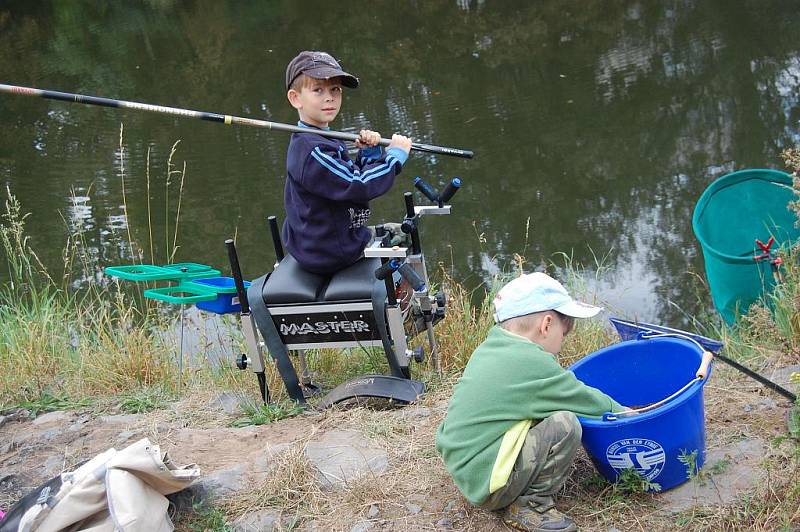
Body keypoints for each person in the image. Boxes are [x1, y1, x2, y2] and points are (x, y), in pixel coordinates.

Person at [435, 272, 628, 532]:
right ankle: (530, 506)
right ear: (546, 325)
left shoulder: (494, 346)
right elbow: (588, 401)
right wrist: (625, 412)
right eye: (565, 332)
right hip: (489, 483)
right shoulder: (531, 363)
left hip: (469, 466)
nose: (563, 342)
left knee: (547, 414)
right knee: (565, 424)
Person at [282, 50, 413, 275]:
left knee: (400, 232)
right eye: (318, 90)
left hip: (328, 237)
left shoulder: (321, 137)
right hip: (330, 252)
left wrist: (370, 155)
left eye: (335, 89)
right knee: (404, 237)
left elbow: (344, 177)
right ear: (296, 98)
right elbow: (358, 184)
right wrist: (393, 158)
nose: (329, 97)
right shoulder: (312, 149)